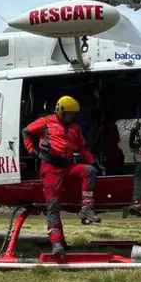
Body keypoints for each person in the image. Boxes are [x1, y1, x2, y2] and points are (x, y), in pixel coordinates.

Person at [22, 95, 102, 255]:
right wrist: (33, 151)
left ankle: (86, 208)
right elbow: (26, 132)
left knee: (90, 172)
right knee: (53, 206)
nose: (72, 116)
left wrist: (93, 162)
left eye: (73, 114)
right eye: (70, 113)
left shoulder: (75, 128)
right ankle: (56, 243)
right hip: (50, 168)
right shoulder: (46, 121)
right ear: (60, 111)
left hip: (68, 165)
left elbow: (83, 148)